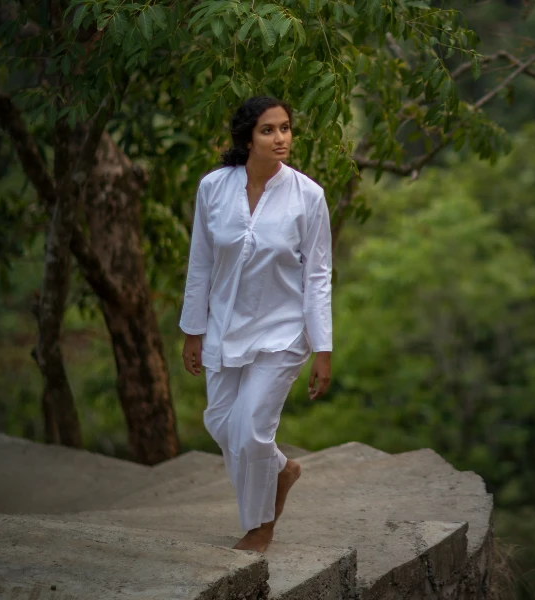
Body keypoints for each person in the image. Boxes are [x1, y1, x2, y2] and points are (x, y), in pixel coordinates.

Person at [178, 96, 334, 552]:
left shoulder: (309, 196)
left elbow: (318, 276)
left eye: (286, 128)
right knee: (221, 421)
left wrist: (322, 347)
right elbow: (201, 262)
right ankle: (282, 470)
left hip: (283, 331)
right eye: (269, 130)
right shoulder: (214, 187)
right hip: (224, 328)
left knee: (250, 431)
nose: (281, 138)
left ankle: (260, 526)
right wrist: (193, 330)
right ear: (247, 137)